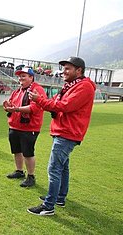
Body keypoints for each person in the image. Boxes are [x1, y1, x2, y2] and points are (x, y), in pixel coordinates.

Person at [27, 57, 96, 215]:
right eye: (63, 68)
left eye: (67, 69)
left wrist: (39, 101)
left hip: (68, 132)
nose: (63, 72)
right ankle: (58, 197)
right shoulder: (70, 86)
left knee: (54, 169)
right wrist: (42, 101)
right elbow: (56, 102)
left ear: (78, 71)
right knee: (63, 168)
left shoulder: (84, 86)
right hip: (64, 130)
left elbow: (65, 106)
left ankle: (49, 206)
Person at [3, 68, 46, 187]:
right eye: (19, 76)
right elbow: (12, 104)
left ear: (31, 77)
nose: (20, 79)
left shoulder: (37, 90)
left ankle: (31, 176)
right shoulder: (18, 91)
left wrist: (15, 109)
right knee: (16, 150)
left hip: (29, 127)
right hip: (15, 126)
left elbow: (34, 108)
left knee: (28, 153)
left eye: (23, 76)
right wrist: (8, 107)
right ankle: (19, 171)